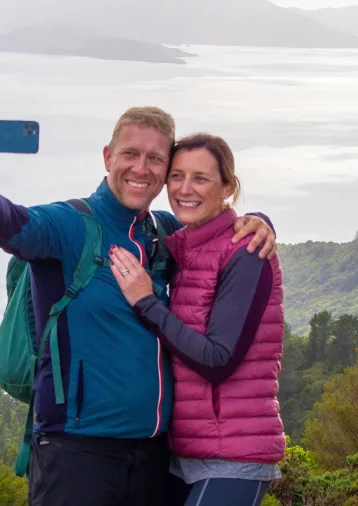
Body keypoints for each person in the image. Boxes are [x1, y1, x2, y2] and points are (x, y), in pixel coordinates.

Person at [0, 107, 278, 506]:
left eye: (156, 159)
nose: (141, 168)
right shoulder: (70, 224)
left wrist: (259, 221)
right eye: (130, 154)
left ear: (164, 171)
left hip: (154, 458)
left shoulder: (164, 231)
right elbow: (13, 224)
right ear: (108, 157)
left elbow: (217, 230)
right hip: (76, 454)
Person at [109, 133, 286, 506]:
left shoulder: (247, 251)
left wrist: (146, 302)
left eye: (201, 178)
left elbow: (218, 358)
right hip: (183, 453)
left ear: (228, 187)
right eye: (177, 176)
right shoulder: (185, 248)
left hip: (234, 456)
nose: (185, 189)